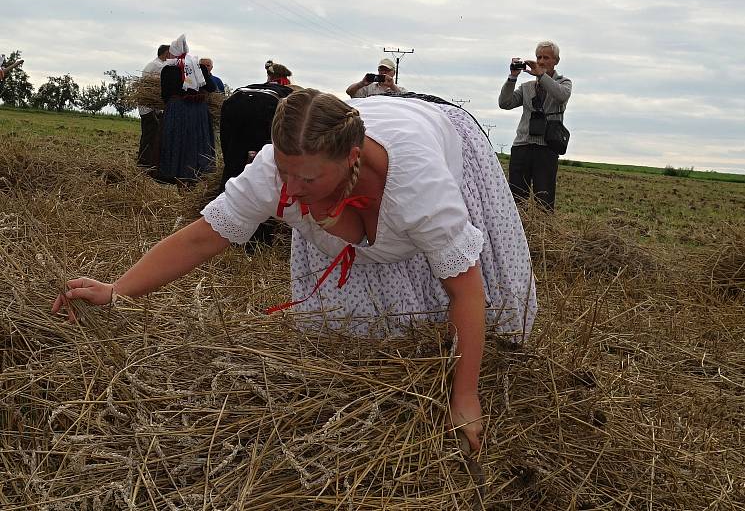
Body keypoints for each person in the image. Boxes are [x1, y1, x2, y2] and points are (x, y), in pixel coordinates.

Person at [52, 90, 537, 453]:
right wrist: (118, 290)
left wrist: (465, 397)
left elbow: (466, 291)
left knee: (454, 299)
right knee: (356, 347)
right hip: (364, 155)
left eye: (307, 178)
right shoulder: (279, 171)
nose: (291, 188)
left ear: (351, 158)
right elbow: (203, 237)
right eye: (285, 171)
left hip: (436, 131)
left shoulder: (420, 187)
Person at [217, 63, 294, 246]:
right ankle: (259, 236)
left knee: (234, 166)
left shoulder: (249, 89)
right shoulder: (289, 93)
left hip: (234, 108)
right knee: (262, 170)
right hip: (266, 116)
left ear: (269, 76)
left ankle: (224, 226)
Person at [499, 40, 572, 210]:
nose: (540, 61)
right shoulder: (527, 87)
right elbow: (505, 103)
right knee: (517, 197)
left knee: (544, 200)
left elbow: (560, 96)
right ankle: (517, 232)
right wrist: (512, 77)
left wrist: (541, 76)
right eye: (538, 57)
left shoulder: (564, 82)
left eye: (546, 57)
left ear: (556, 61)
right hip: (522, 145)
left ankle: (544, 233)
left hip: (547, 148)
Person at [157, 34, 218, 185]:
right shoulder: (200, 67)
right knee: (197, 141)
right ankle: (196, 173)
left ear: (174, 52)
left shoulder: (168, 69)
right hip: (198, 111)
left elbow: (165, 95)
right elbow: (211, 87)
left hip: (177, 110)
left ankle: (175, 172)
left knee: (178, 140)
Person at [138, 44, 169, 170]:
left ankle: (146, 161)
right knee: (150, 136)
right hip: (150, 108)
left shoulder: (154, 64)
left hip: (149, 108)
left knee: (150, 135)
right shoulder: (158, 66)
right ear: (166, 53)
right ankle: (145, 162)